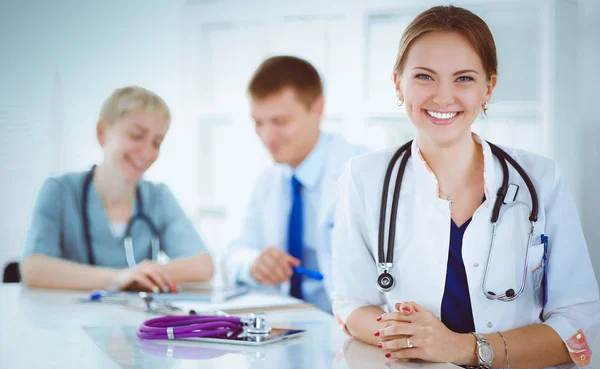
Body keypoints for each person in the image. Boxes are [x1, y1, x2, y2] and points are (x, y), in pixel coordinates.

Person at [331, 5, 599, 369]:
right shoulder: (364, 178)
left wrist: (460, 347)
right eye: (424, 76)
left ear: (488, 88)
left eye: (464, 78)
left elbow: (579, 326)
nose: (444, 96)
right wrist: (413, 338)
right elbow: (352, 305)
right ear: (398, 83)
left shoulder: (541, 180)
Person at [21, 86, 214, 292]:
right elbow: (34, 268)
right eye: (137, 135)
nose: (148, 152)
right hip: (71, 321)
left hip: (139, 322)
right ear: (102, 132)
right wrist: (120, 277)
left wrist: (145, 274)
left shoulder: (158, 197)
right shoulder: (60, 191)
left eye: (157, 142)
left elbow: (203, 266)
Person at [222, 56, 368, 313]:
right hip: (290, 326)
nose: (267, 136)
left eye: (280, 122)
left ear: (317, 109)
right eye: (258, 122)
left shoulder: (366, 173)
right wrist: (254, 263)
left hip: (353, 330)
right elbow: (232, 254)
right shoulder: (270, 180)